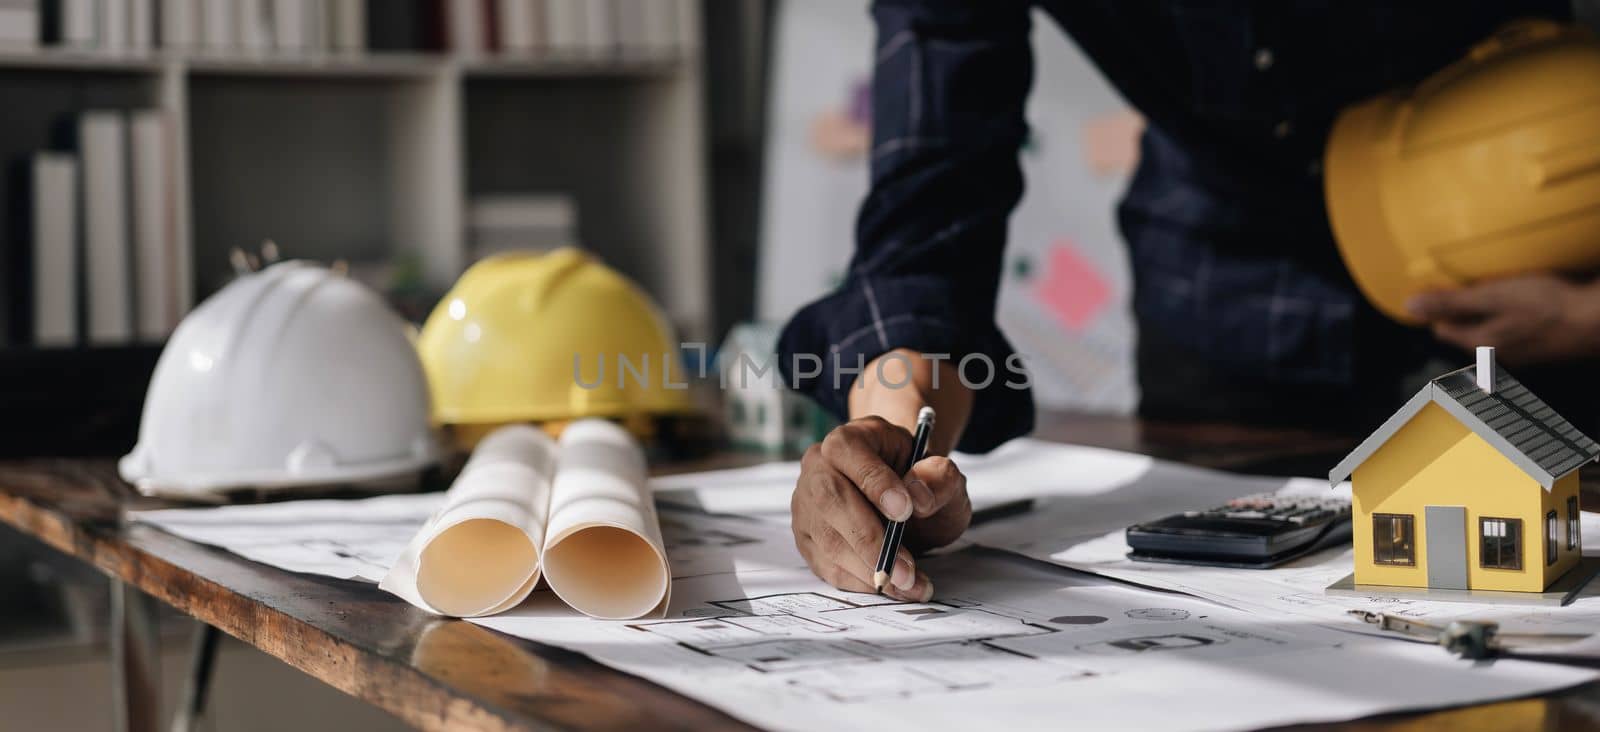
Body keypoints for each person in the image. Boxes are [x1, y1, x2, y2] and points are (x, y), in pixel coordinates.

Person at [776, 1, 1600, 601]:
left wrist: (1589, 313)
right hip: (1226, 294)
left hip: (1552, 244)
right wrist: (894, 417)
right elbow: (934, 186)